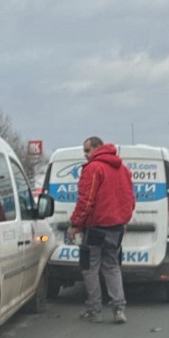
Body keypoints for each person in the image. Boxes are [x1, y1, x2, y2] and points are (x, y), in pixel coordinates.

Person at [67, 137, 135, 324]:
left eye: (87, 151)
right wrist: (124, 219)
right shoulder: (123, 170)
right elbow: (130, 199)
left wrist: (75, 224)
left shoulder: (93, 169)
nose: (86, 155)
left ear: (97, 148)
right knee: (112, 265)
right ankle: (119, 308)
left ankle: (94, 309)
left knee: (90, 268)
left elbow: (86, 201)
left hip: (96, 227)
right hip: (116, 227)